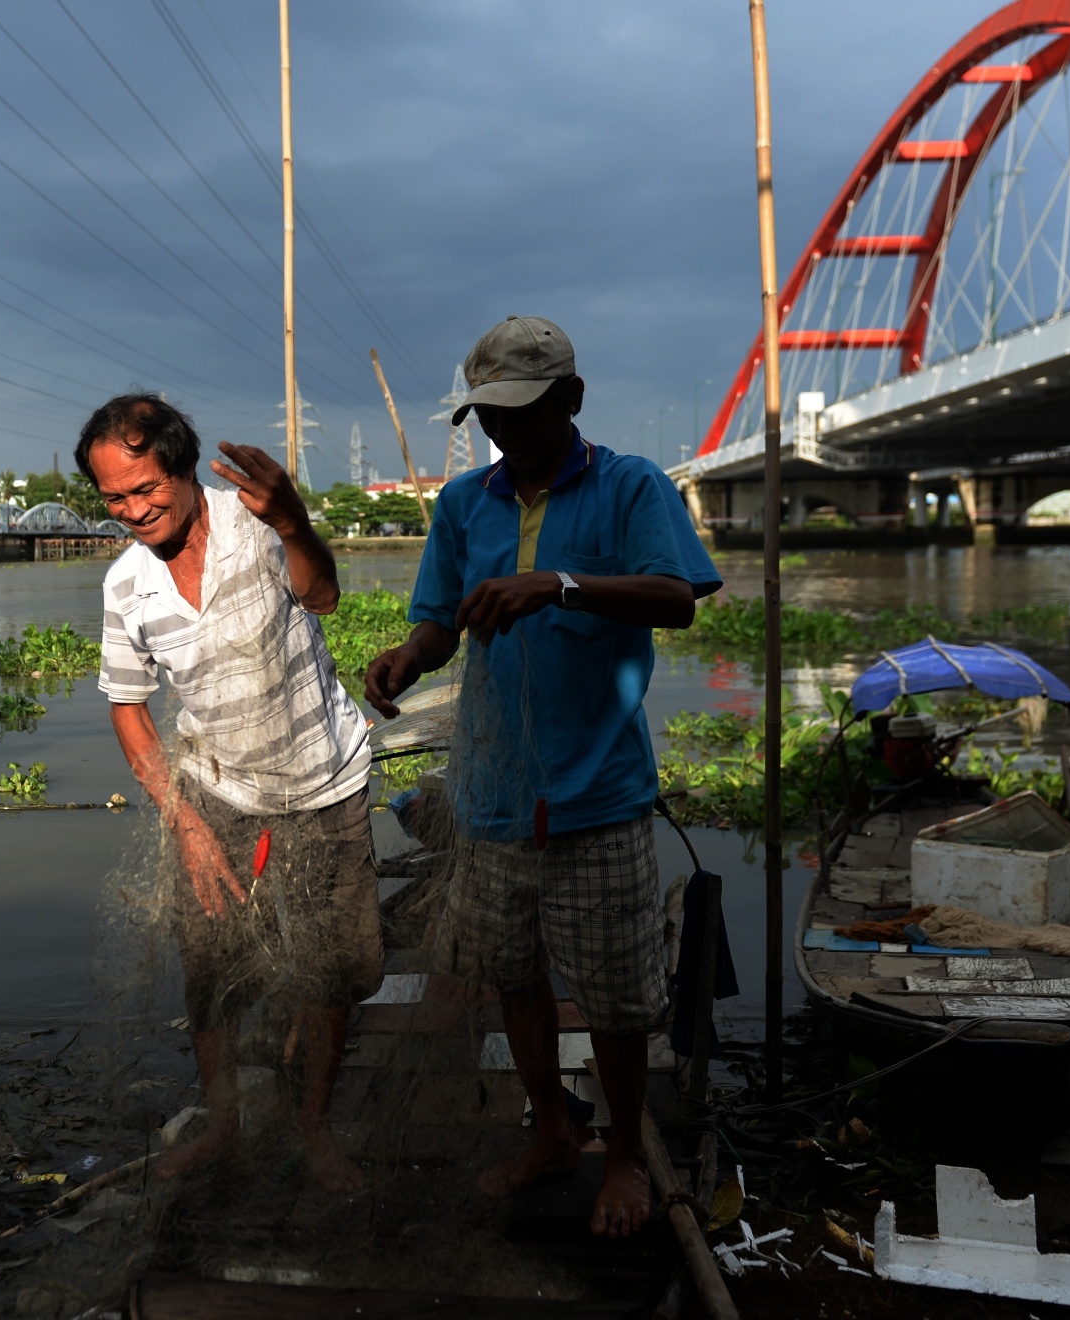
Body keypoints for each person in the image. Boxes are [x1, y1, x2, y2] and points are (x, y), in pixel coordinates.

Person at [363, 317, 721, 1237]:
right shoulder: (463, 505)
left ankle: (626, 1157)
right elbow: (442, 618)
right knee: (512, 975)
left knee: (614, 995)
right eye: (488, 414)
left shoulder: (630, 485)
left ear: (571, 399)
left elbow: (676, 597)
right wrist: (408, 658)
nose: (505, 430)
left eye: (522, 410)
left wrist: (560, 583)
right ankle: (553, 1133)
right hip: (491, 795)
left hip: (595, 792)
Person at [84, 393, 380, 1193]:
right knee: (211, 968)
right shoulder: (125, 586)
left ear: (181, 470)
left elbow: (321, 597)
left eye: (145, 489)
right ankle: (223, 1125)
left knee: (329, 968)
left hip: (324, 780)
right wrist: (183, 825)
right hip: (217, 789)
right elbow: (129, 709)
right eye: (114, 499)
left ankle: (314, 1130)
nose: (134, 510)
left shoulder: (254, 524)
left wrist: (293, 522)